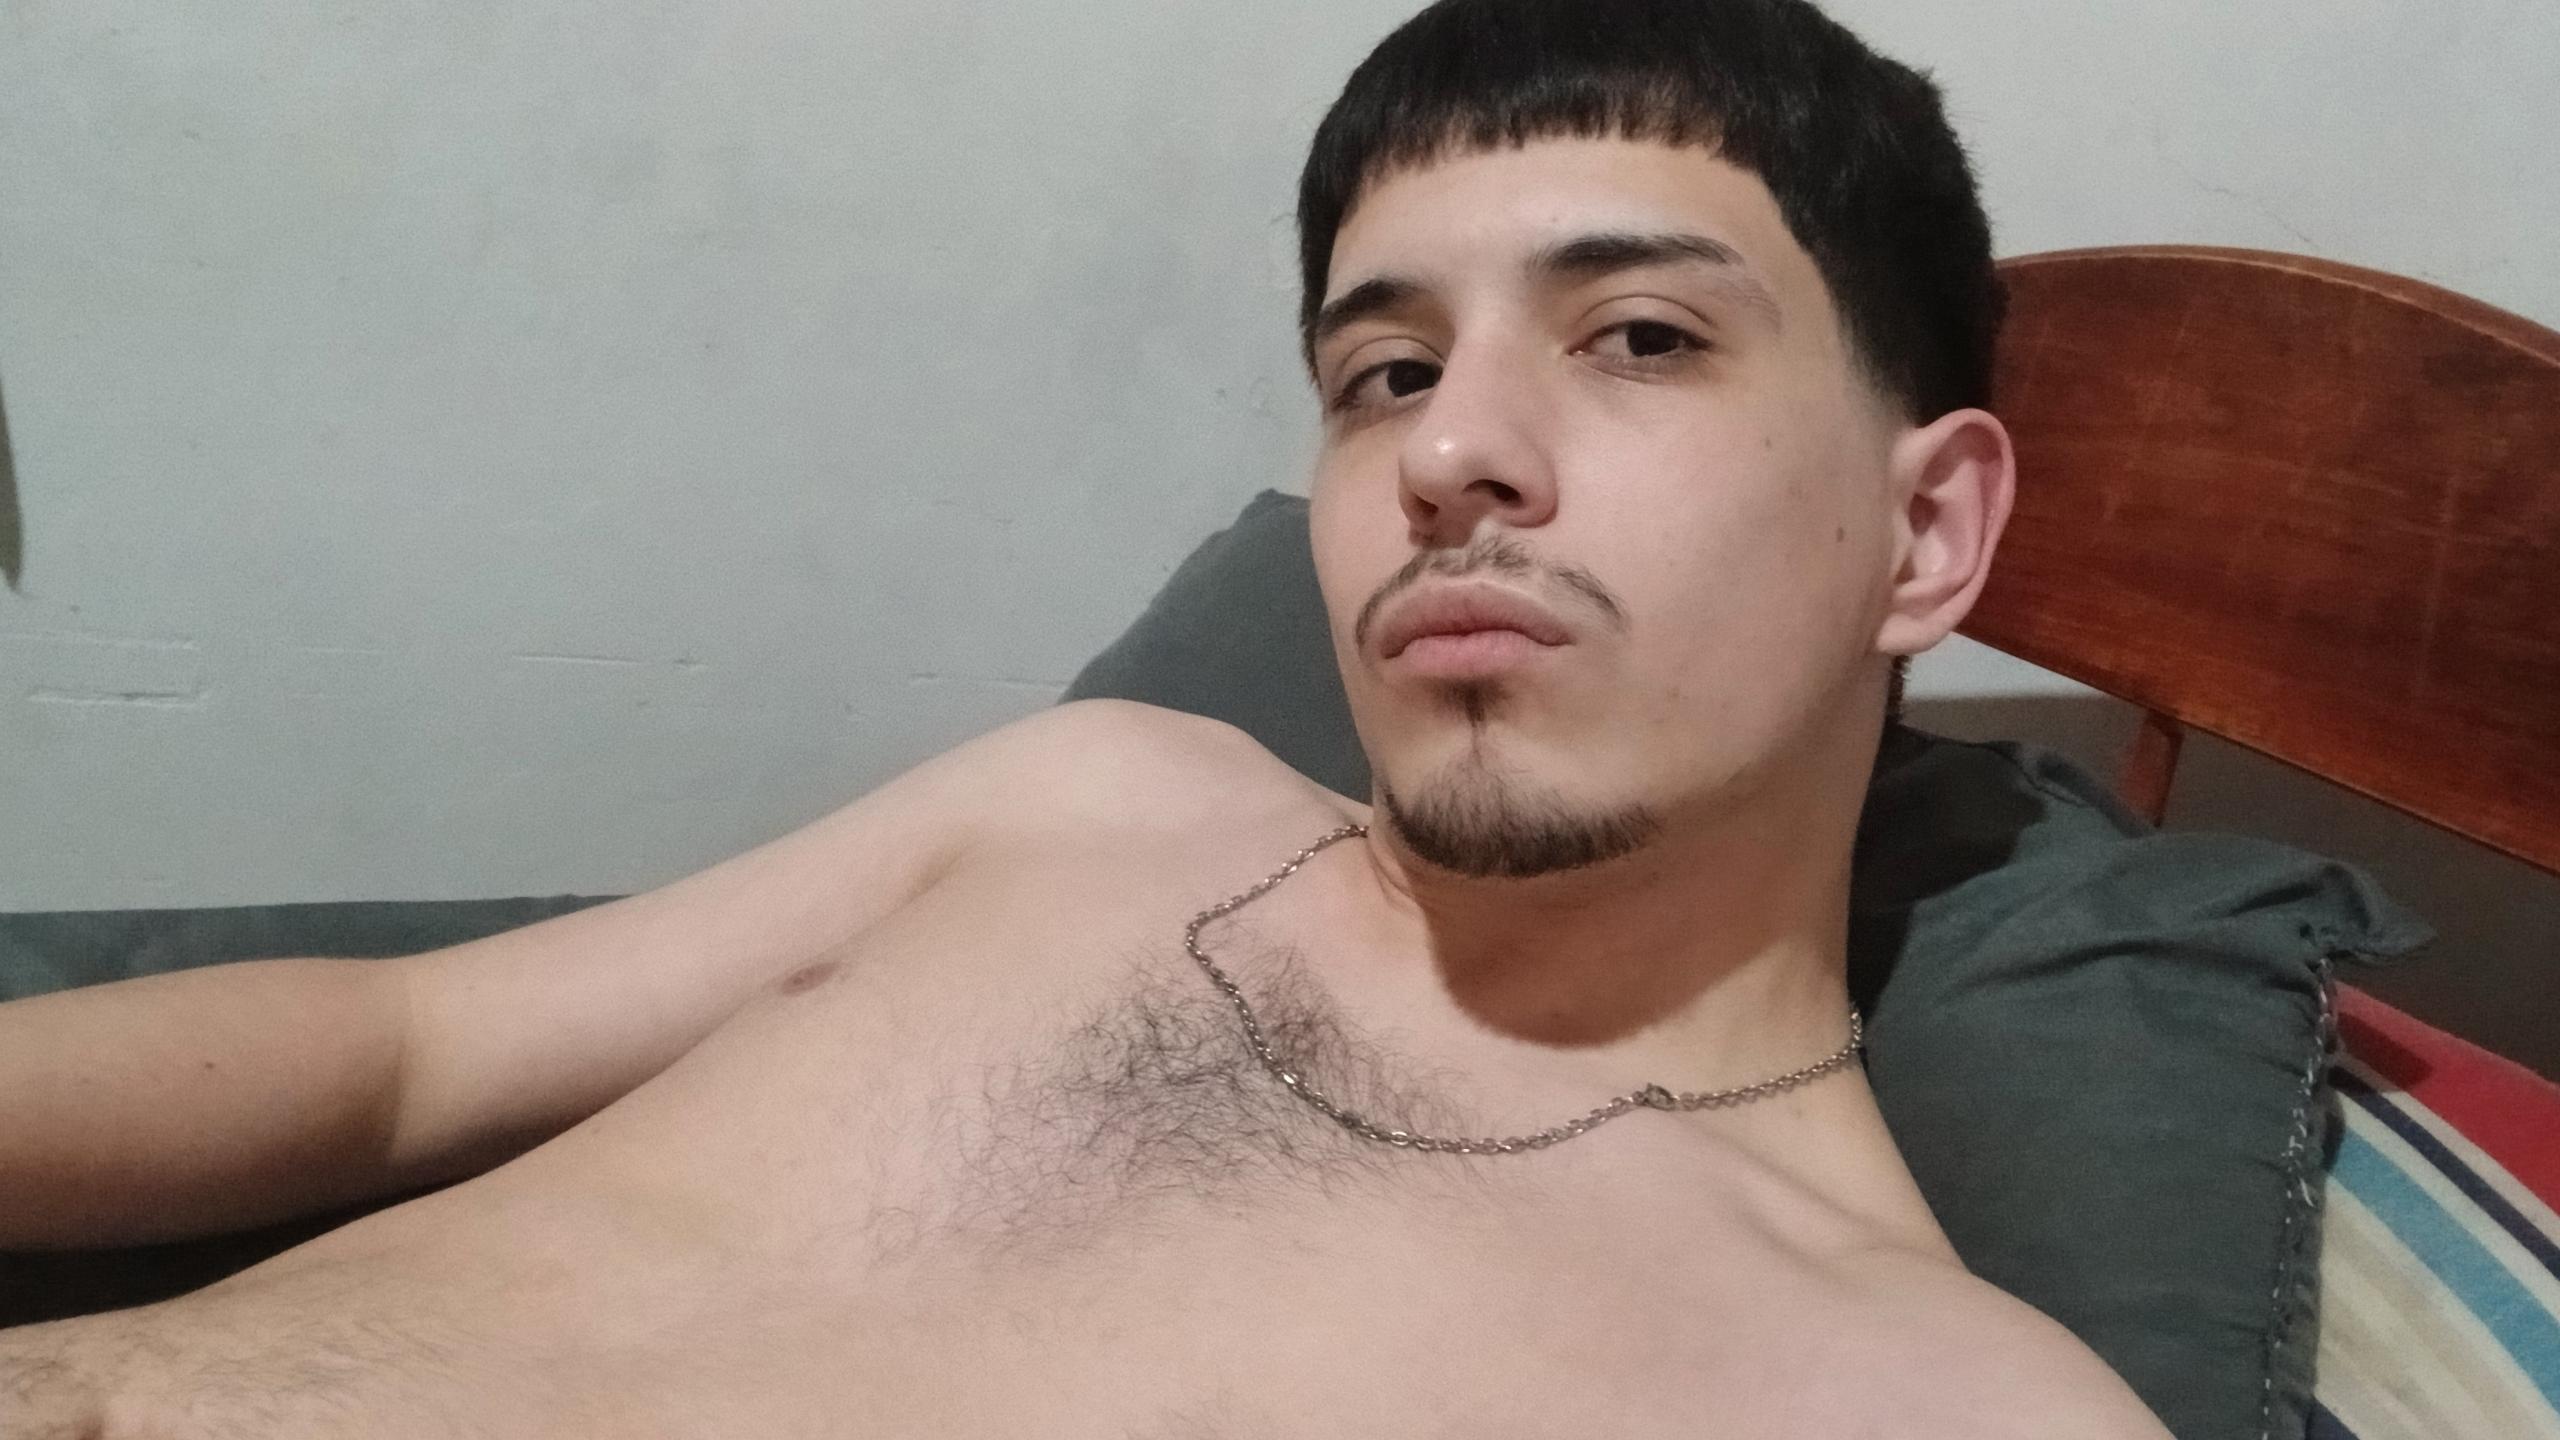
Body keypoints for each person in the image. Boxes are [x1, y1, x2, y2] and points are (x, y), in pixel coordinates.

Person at [0, 0, 2177, 1433]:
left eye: (1637, 338)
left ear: (1925, 533)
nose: (1449, 453)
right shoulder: (1096, 802)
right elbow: (403, 1051)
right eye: (1385, 372)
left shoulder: (1917, 1399)